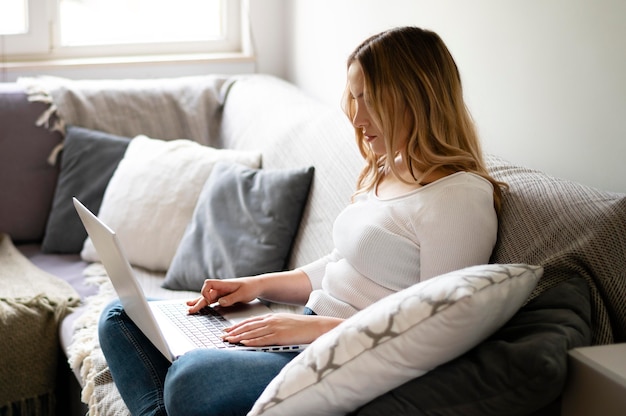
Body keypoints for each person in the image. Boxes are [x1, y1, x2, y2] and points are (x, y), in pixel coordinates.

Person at [99, 26, 507, 416]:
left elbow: (430, 329)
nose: (358, 119)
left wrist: (304, 331)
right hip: (304, 330)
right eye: (355, 98)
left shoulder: (460, 198)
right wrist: (252, 286)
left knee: (191, 382)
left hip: (338, 354)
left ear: (415, 96)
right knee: (120, 315)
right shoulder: (389, 168)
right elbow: (336, 265)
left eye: (371, 99)